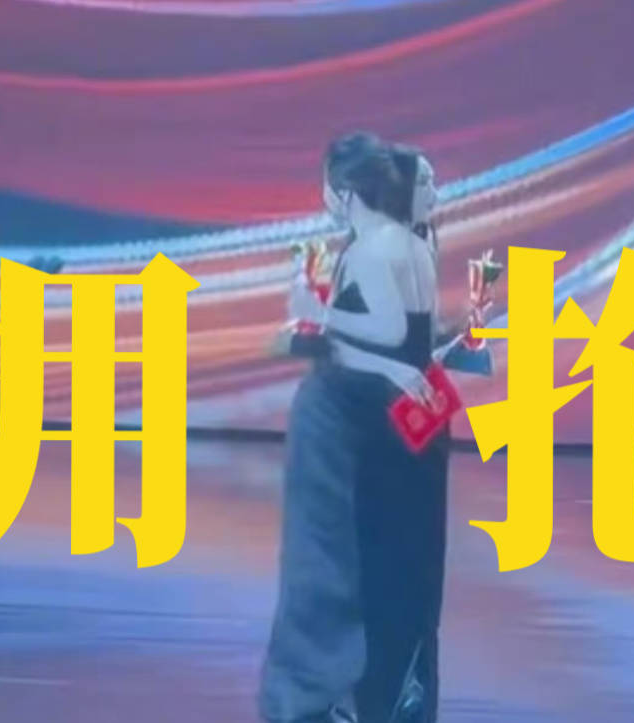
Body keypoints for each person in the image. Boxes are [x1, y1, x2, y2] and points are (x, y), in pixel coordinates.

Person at [259, 134, 449, 723]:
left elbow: (389, 332)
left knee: (347, 562)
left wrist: (319, 318)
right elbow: (416, 337)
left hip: (364, 416)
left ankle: (339, 699)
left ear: (345, 193)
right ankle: (397, 697)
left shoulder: (373, 248)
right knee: (409, 564)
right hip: (417, 411)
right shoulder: (417, 245)